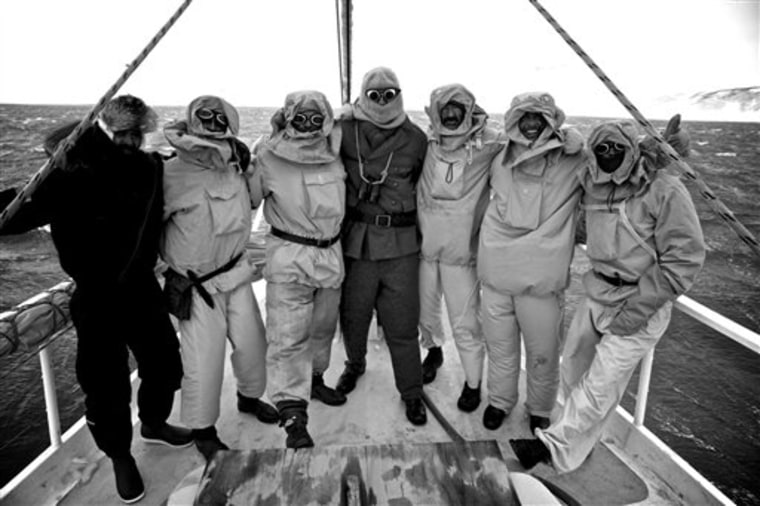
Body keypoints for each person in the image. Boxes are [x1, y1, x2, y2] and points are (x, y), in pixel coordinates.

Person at [0, 95, 192, 503]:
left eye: (135, 133)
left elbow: (183, 168)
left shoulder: (149, 169)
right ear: (104, 129)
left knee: (165, 363)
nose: (129, 140)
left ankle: (154, 424)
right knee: (104, 384)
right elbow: (15, 215)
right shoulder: (67, 171)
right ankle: (120, 455)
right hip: (96, 294)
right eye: (120, 132)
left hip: (142, 287)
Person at [509, 116, 705, 473]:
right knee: (573, 373)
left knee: (601, 384)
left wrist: (639, 307)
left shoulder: (664, 189)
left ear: (632, 151)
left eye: (618, 148)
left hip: (639, 303)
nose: (609, 154)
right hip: (597, 293)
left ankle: (550, 449)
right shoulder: (593, 182)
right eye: (602, 148)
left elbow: (686, 258)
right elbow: (568, 146)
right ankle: (574, 449)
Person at [161, 95, 277, 462]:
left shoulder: (237, 164)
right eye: (204, 116)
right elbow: (147, 226)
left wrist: (265, 149)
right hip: (197, 286)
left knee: (254, 344)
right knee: (203, 361)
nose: (213, 122)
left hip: (236, 274)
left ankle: (248, 396)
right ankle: (203, 429)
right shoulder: (169, 173)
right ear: (191, 120)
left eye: (219, 116)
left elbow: (254, 201)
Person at [477, 92, 585, 433]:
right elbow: (463, 132)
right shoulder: (498, 155)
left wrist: (655, 153)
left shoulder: (574, 160)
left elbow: (618, 161)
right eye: (525, 116)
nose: (532, 123)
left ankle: (539, 409)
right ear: (513, 119)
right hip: (496, 274)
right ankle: (499, 401)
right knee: (500, 349)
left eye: (539, 116)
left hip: (540, 280)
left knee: (543, 354)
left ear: (554, 120)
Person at [248, 90, 347, 449]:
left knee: (323, 329)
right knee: (288, 338)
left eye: (315, 118)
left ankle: (316, 378)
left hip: (330, 254)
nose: (308, 125)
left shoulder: (336, 151)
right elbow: (249, 199)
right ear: (287, 117)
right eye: (300, 117)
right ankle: (293, 415)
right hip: (290, 254)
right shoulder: (268, 155)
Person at [335, 66, 429, 425]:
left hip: (401, 245)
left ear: (400, 94)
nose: (382, 100)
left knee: (402, 324)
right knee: (353, 316)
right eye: (373, 94)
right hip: (357, 243)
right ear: (362, 95)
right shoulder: (342, 130)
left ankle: (412, 392)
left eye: (389, 93)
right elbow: (301, 142)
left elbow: (425, 181)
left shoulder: (416, 139)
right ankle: (354, 365)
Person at [417, 83, 503, 409]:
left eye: (458, 109)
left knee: (466, 324)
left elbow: (531, 144)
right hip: (425, 251)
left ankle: (472, 383)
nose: (451, 116)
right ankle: (433, 351)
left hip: (460, 255)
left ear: (469, 111)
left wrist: (568, 138)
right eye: (445, 110)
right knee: (425, 314)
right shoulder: (423, 143)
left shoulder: (490, 143)